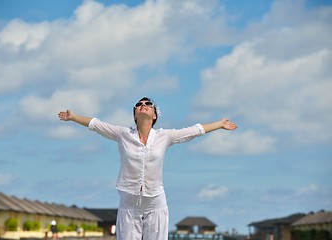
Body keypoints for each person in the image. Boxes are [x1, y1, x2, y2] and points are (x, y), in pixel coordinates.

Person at [58, 97, 237, 240]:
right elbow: (96, 124)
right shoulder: (123, 134)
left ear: (154, 115)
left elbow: (193, 130)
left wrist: (219, 124)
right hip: (128, 204)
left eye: (148, 104)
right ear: (135, 115)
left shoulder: (164, 136)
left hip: (156, 204)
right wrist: (73, 117)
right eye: (139, 104)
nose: (143, 105)